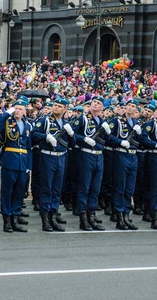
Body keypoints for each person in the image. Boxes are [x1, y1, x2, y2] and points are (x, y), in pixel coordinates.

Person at [32, 97, 75, 232]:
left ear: (65, 109)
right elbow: (33, 134)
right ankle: (45, 219)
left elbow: (72, 145)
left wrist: (72, 134)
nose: (56, 107)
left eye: (59, 106)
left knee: (57, 189)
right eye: (55, 105)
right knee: (47, 188)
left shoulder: (66, 123)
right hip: (47, 157)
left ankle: (53, 216)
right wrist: (45, 137)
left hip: (61, 158)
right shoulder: (45, 120)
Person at [0, 99, 33, 233]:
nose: (18, 111)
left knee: (19, 192)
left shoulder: (27, 125)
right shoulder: (7, 122)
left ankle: (15, 218)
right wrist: (6, 114)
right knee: (7, 192)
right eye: (16, 108)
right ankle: (7, 221)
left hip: (22, 163)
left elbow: (28, 146)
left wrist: (29, 164)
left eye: (21, 109)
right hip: (10, 161)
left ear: (25, 111)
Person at [71, 96, 109, 231]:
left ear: (102, 107)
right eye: (94, 102)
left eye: (98, 103)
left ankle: (91, 216)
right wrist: (85, 139)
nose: (95, 104)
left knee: (95, 189)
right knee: (84, 188)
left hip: (99, 156)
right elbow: (72, 134)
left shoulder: (102, 122)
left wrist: (107, 132)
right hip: (86, 154)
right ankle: (83, 219)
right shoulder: (83, 119)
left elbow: (107, 141)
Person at [106, 99, 141, 230]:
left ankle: (126, 214)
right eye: (130, 106)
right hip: (121, 154)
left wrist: (140, 133)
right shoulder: (117, 121)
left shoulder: (136, 123)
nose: (131, 108)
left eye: (134, 106)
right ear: (125, 108)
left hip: (133, 155)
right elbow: (108, 137)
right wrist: (120, 142)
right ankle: (119, 216)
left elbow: (141, 141)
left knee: (129, 188)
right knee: (120, 186)